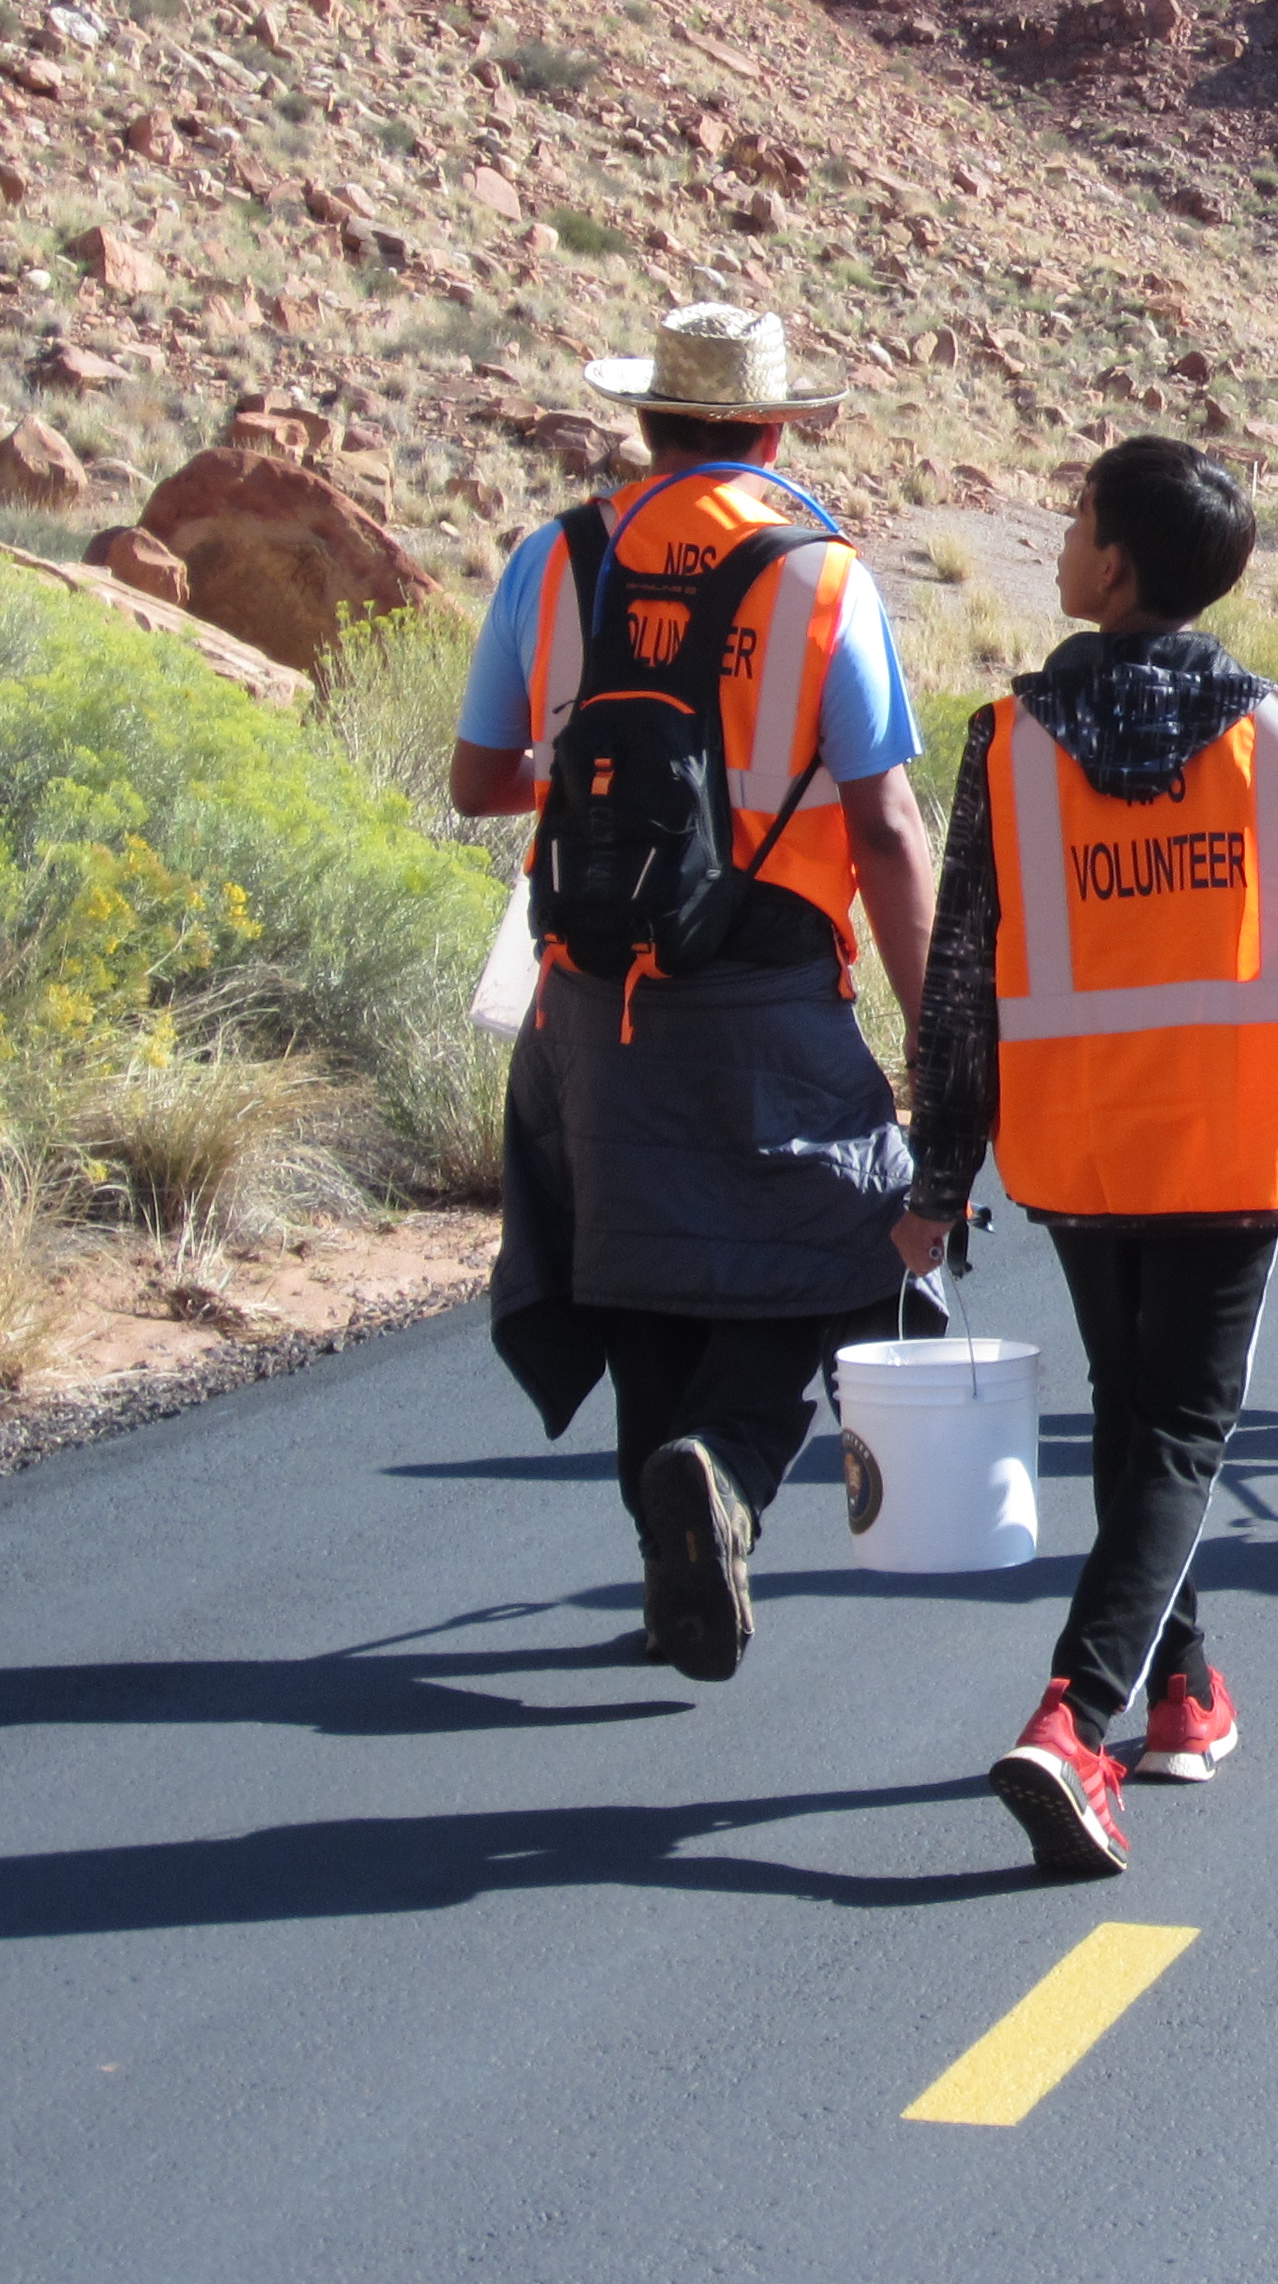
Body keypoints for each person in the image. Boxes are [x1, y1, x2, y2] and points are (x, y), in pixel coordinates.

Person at [897, 437, 1278, 1876]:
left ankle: (1185, 1692)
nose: (1057, 538)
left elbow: (961, 982)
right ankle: (1078, 1717)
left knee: (1137, 1417)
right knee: (1177, 1430)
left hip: (1080, 1144)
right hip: (1233, 1143)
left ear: (1114, 567)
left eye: (1072, 520)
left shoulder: (1011, 743)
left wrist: (940, 1178)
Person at [451, 303, 937, 1683]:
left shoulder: (557, 557)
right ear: (774, 430)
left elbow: (479, 782)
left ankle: (674, 1539)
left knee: (639, 1264)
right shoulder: (820, 578)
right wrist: (938, 1036)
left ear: (646, 423)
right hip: (770, 983)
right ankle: (719, 1466)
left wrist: (606, 795)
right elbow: (889, 826)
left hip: (585, 996)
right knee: (846, 1240)